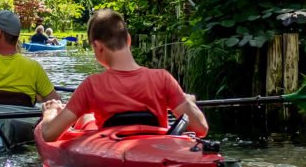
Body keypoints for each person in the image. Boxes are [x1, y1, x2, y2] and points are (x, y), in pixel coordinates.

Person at [39, 9, 209, 140]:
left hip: (111, 152)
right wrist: (187, 101)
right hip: (157, 150)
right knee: (86, 116)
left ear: (98, 47)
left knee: (85, 117)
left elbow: (49, 134)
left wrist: (50, 112)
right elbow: (201, 128)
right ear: (128, 40)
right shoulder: (163, 78)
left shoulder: (92, 85)